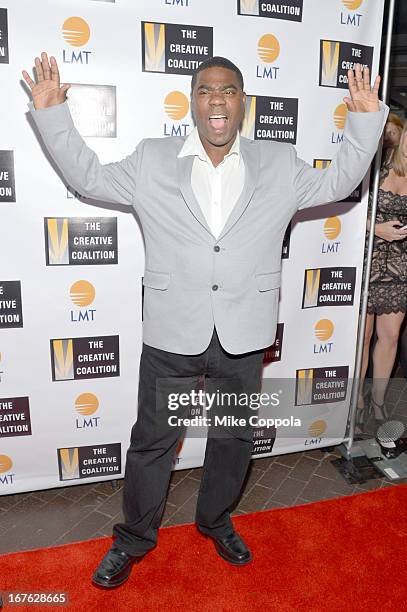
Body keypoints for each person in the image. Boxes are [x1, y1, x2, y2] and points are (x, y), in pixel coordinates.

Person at [22, 53, 387, 589]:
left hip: (243, 333)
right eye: (205, 90)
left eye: (229, 90)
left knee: (234, 438)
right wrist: (53, 113)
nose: (217, 99)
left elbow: (338, 182)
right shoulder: (152, 158)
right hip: (173, 329)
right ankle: (133, 539)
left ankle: (215, 521)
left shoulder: (279, 163)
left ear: (243, 102)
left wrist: (362, 120)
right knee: (152, 443)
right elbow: (89, 176)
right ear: (193, 102)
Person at [359, 122, 407, 425]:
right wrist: (376, 229)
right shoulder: (378, 165)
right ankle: (356, 403)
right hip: (366, 261)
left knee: (389, 337)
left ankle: (377, 402)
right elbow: (348, 209)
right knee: (361, 338)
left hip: (400, 267)